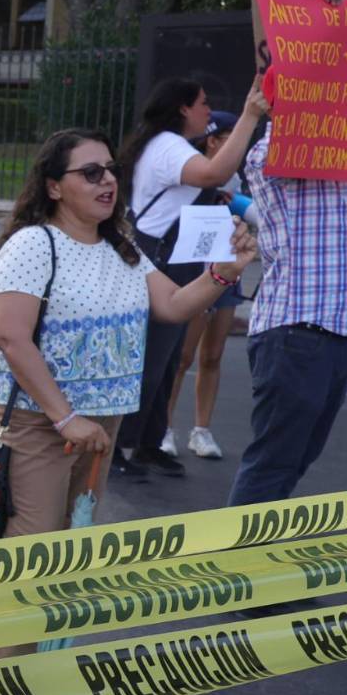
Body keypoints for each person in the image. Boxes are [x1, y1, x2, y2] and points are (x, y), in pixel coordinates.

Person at [0, 128, 256, 695]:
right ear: (54, 187)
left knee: (64, 552)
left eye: (110, 170)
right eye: (90, 172)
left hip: (98, 425)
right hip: (38, 422)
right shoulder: (33, 245)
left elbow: (177, 306)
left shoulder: (123, 245)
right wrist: (64, 418)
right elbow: (12, 338)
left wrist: (225, 271)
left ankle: (25, 673)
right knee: (31, 556)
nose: (107, 181)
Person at [228, 0, 347, 517]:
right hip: (297, 332)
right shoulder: (275, 150)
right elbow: (311, 108)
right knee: (273, 462)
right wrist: (315, 30)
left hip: (334, 331)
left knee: (295, 460)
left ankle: (255, 561)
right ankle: (237, 573)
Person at [110, 77, 267, 480]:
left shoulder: (169, 145)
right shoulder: (168, 146)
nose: (208, 111)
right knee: (147, 361)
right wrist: (250, 115)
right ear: (183, 108)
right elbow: (213, 173)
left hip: (175, 263)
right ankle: (114, 449)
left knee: (165, 362)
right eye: (203, 103)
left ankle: (147, 442)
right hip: (159, 263)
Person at [163, 111, 251, 461]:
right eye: (230, 137)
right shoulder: (192, 174)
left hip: (227, 271)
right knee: (183, 357)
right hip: (197, 275)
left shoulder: (235, 182)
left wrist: (238, 208)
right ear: (213, 141)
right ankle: (164, 428)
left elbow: (252, 214)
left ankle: (202, 430)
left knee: (212, 355)